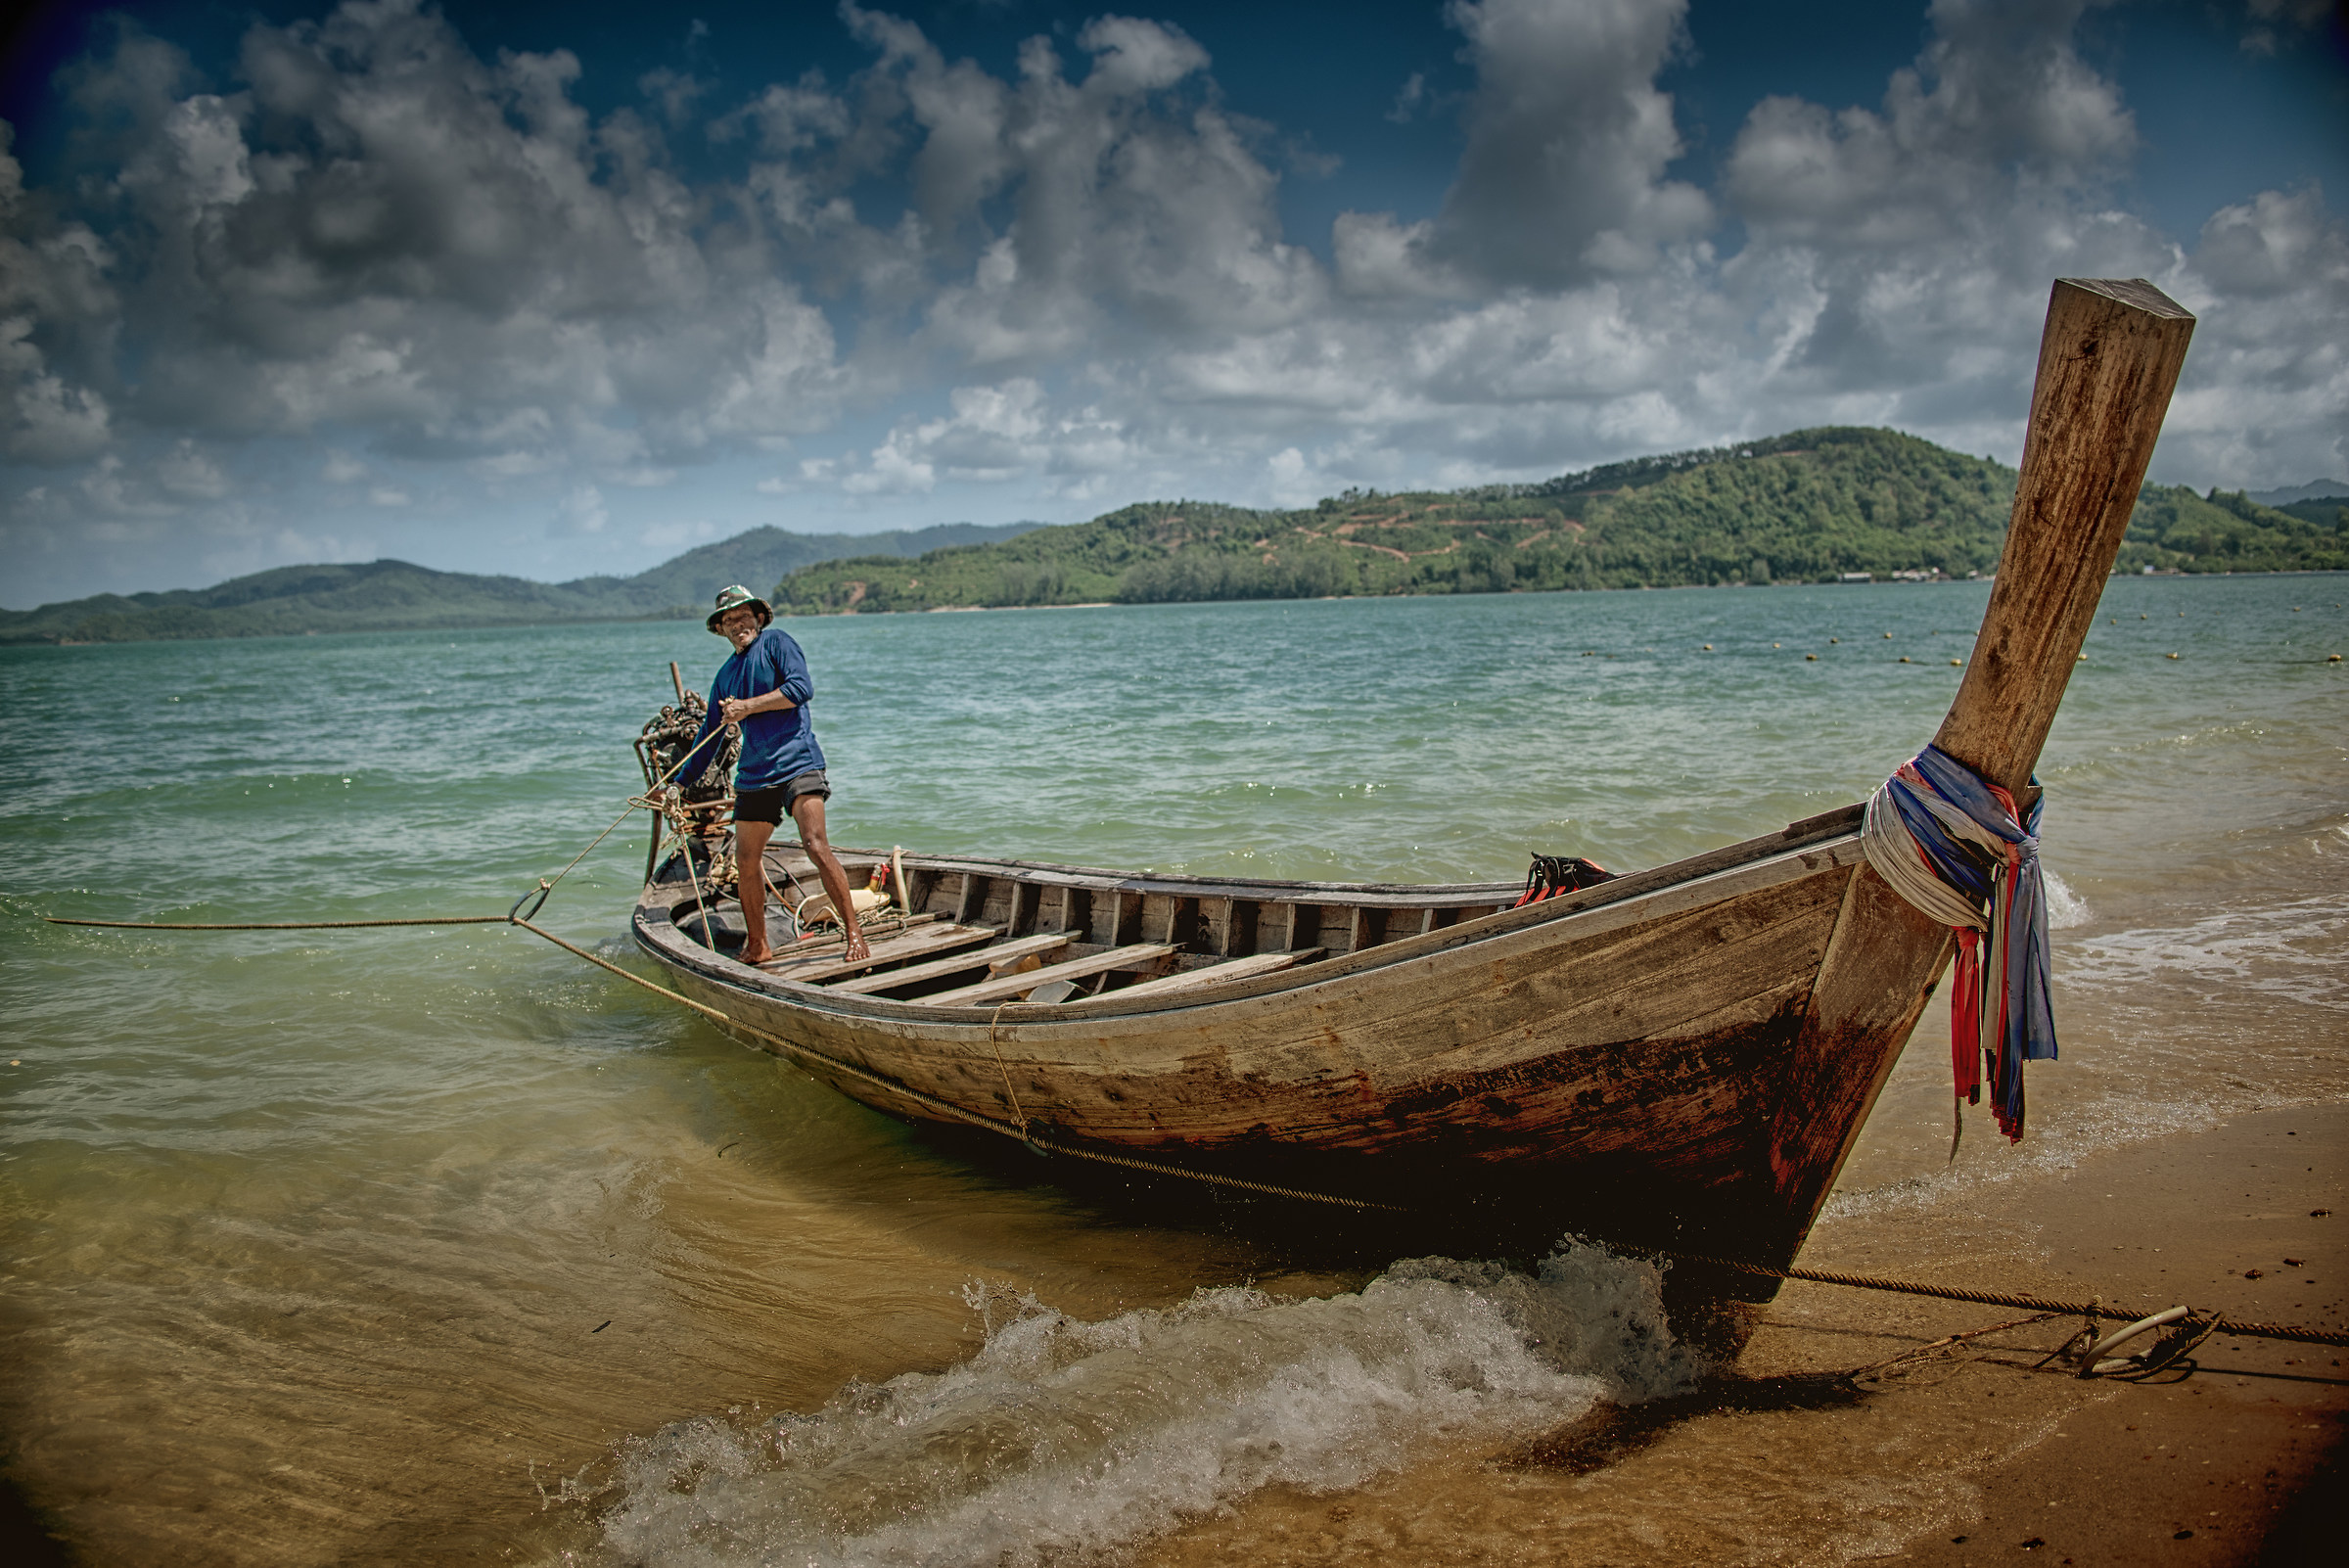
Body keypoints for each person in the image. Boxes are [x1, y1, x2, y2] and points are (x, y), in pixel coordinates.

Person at [685, 584, 869, 967]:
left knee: (815, 844)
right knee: (746, 861)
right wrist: (677, 784)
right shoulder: (725, 676)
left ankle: (853, 932)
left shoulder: (777, 643)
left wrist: (748, 707)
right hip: (754, 775)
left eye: (744, 617)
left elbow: (801, 689)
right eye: (730, 620)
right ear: (721, 629)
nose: (739, 625)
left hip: (799, 763)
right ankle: (759, 944)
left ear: (759, 618)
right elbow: (707, 739)